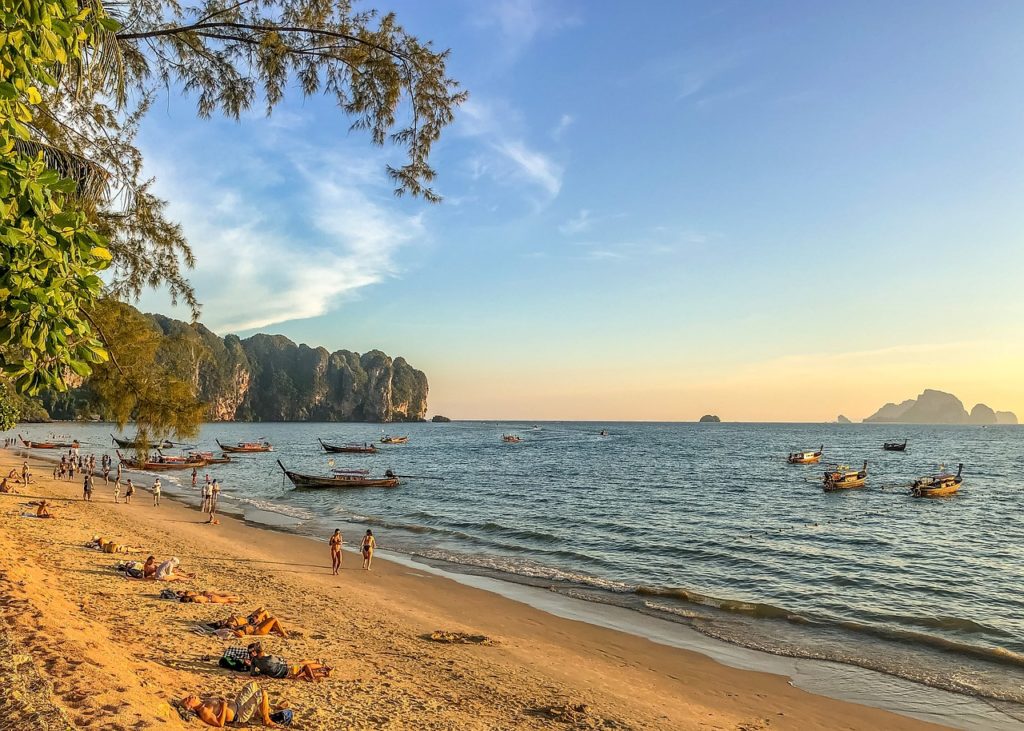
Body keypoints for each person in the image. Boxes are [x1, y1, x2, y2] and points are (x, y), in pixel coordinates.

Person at [180, 682, 283, 727]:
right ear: (190, 706)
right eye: (187, 699)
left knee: (252, 685)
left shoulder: (203, 702)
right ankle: (266, 720)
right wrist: (224, 706)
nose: (189, 696)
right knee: (262, 693)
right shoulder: (204, 711)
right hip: (240, 714)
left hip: (237, 704)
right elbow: (220, 724)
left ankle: (260, 710)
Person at [247, 642, 331, 681]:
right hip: (287, 671)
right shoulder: (270, 659)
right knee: (304, 666)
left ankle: (321, 669)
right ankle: (322, 666)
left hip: (280, 675)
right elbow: (282, 661)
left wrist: (261, 673)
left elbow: (252, 673)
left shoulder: (254, 661)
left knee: (302, 663)